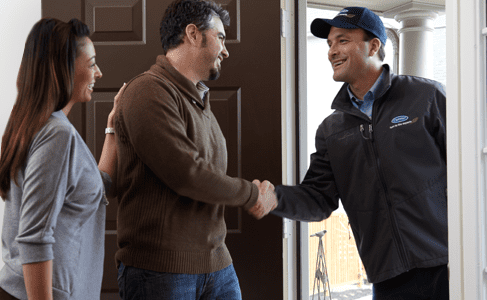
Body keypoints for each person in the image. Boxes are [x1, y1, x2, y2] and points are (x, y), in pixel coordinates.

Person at [254, 6, 448, 299]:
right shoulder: (332, 130)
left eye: (342, 40)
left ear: (373, 45)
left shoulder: (427, 97)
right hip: (388, 276)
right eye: (330, 43)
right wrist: (275, 199)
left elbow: (472, 171)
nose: (332, 51)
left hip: (448, 263)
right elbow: (318, 199)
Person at [113, 0, 276, 299]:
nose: (226, 50)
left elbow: (206, 175)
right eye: (221, 37)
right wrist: (252, 194)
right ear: (193, 34)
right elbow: (186, 173)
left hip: (218, 265)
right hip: (161, 272)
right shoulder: (147, 91)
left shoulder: (199, 101)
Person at [0, 18, 123, 299]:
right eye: (91, 64)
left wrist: (112, 128)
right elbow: (34, 237)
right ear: (64, 68)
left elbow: (94, 190)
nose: (99, 73)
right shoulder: (57, 135)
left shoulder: (33, 124)